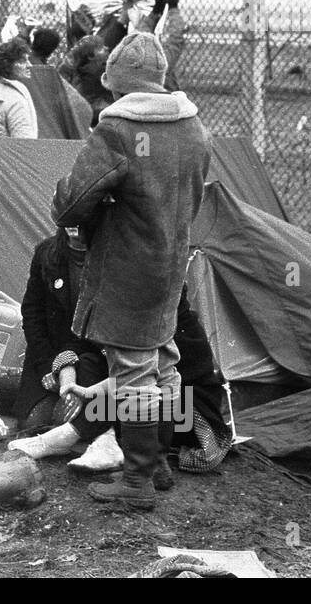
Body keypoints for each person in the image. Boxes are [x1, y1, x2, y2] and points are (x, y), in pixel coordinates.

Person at [51, 31, 211, 510]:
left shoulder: (117, 128)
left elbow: (73, 202)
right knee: (163, 363)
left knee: (133, 374)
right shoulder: (194, 127)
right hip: (169, 266)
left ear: (118, 83)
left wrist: (73, 199)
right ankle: (156, 461)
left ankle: (137, 482)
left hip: (127, 269)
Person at [8, 231, 233, 476]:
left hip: (180, 405)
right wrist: (65, 374)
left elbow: (146, 373)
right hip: (125, 392)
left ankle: (86, 439)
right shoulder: (100, 274)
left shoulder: (158, 302)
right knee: (87, 365)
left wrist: (80, 412)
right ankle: (102, 439)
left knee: (135, 390)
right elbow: (82, 340)